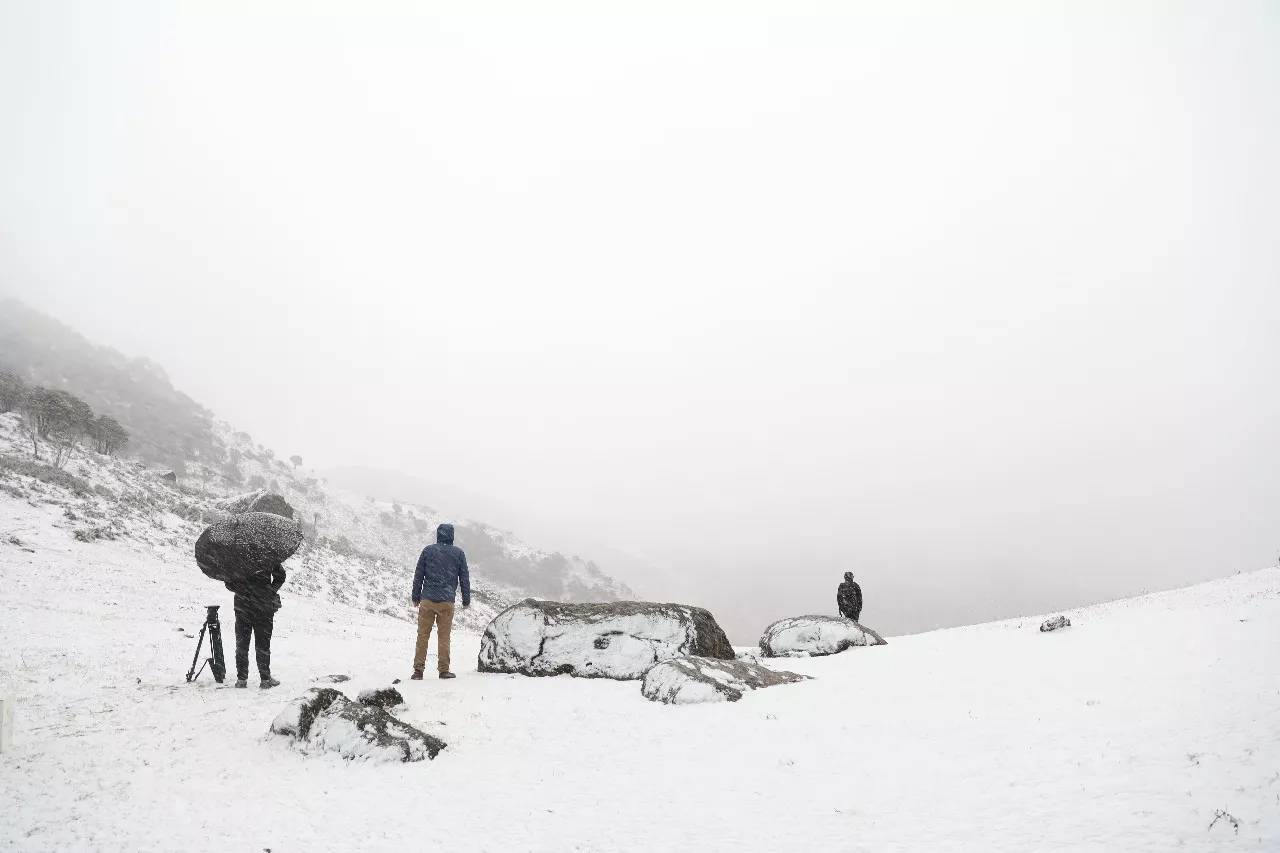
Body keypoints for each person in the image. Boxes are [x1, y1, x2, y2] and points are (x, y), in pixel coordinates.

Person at [410, 523, 471, 680]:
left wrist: (416, 597)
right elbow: (464, 578)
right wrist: (466, 600)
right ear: (452, 536)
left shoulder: (428, 551)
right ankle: (443, 670)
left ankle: (418, 671)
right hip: (447, 601)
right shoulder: (458, 553)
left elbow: (419, 575)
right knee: (444, 636)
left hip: (428, 600)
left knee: (422, 635)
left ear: (439, 535)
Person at [225, 560, 286, 689]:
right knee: (262, 645)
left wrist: (242, 589)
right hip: (262, 608)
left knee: (242, 644)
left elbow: (228, 582)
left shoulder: (237, 558)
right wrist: (269, 590)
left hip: (243, 608)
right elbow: (281, 576)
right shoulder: (267, 556)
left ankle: (242, 679)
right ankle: (265, 679)